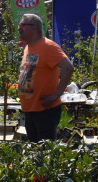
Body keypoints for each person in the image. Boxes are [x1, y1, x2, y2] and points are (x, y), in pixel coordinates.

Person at [16, 13, 73, 142]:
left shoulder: (48, 46)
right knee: (35, 150)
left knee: (45, 151)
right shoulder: (28, 47)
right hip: (30, 109)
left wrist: (57, 94)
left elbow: (68, 67)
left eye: (23, 25)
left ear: (34, 27)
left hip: (45, 110)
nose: (19, 28)